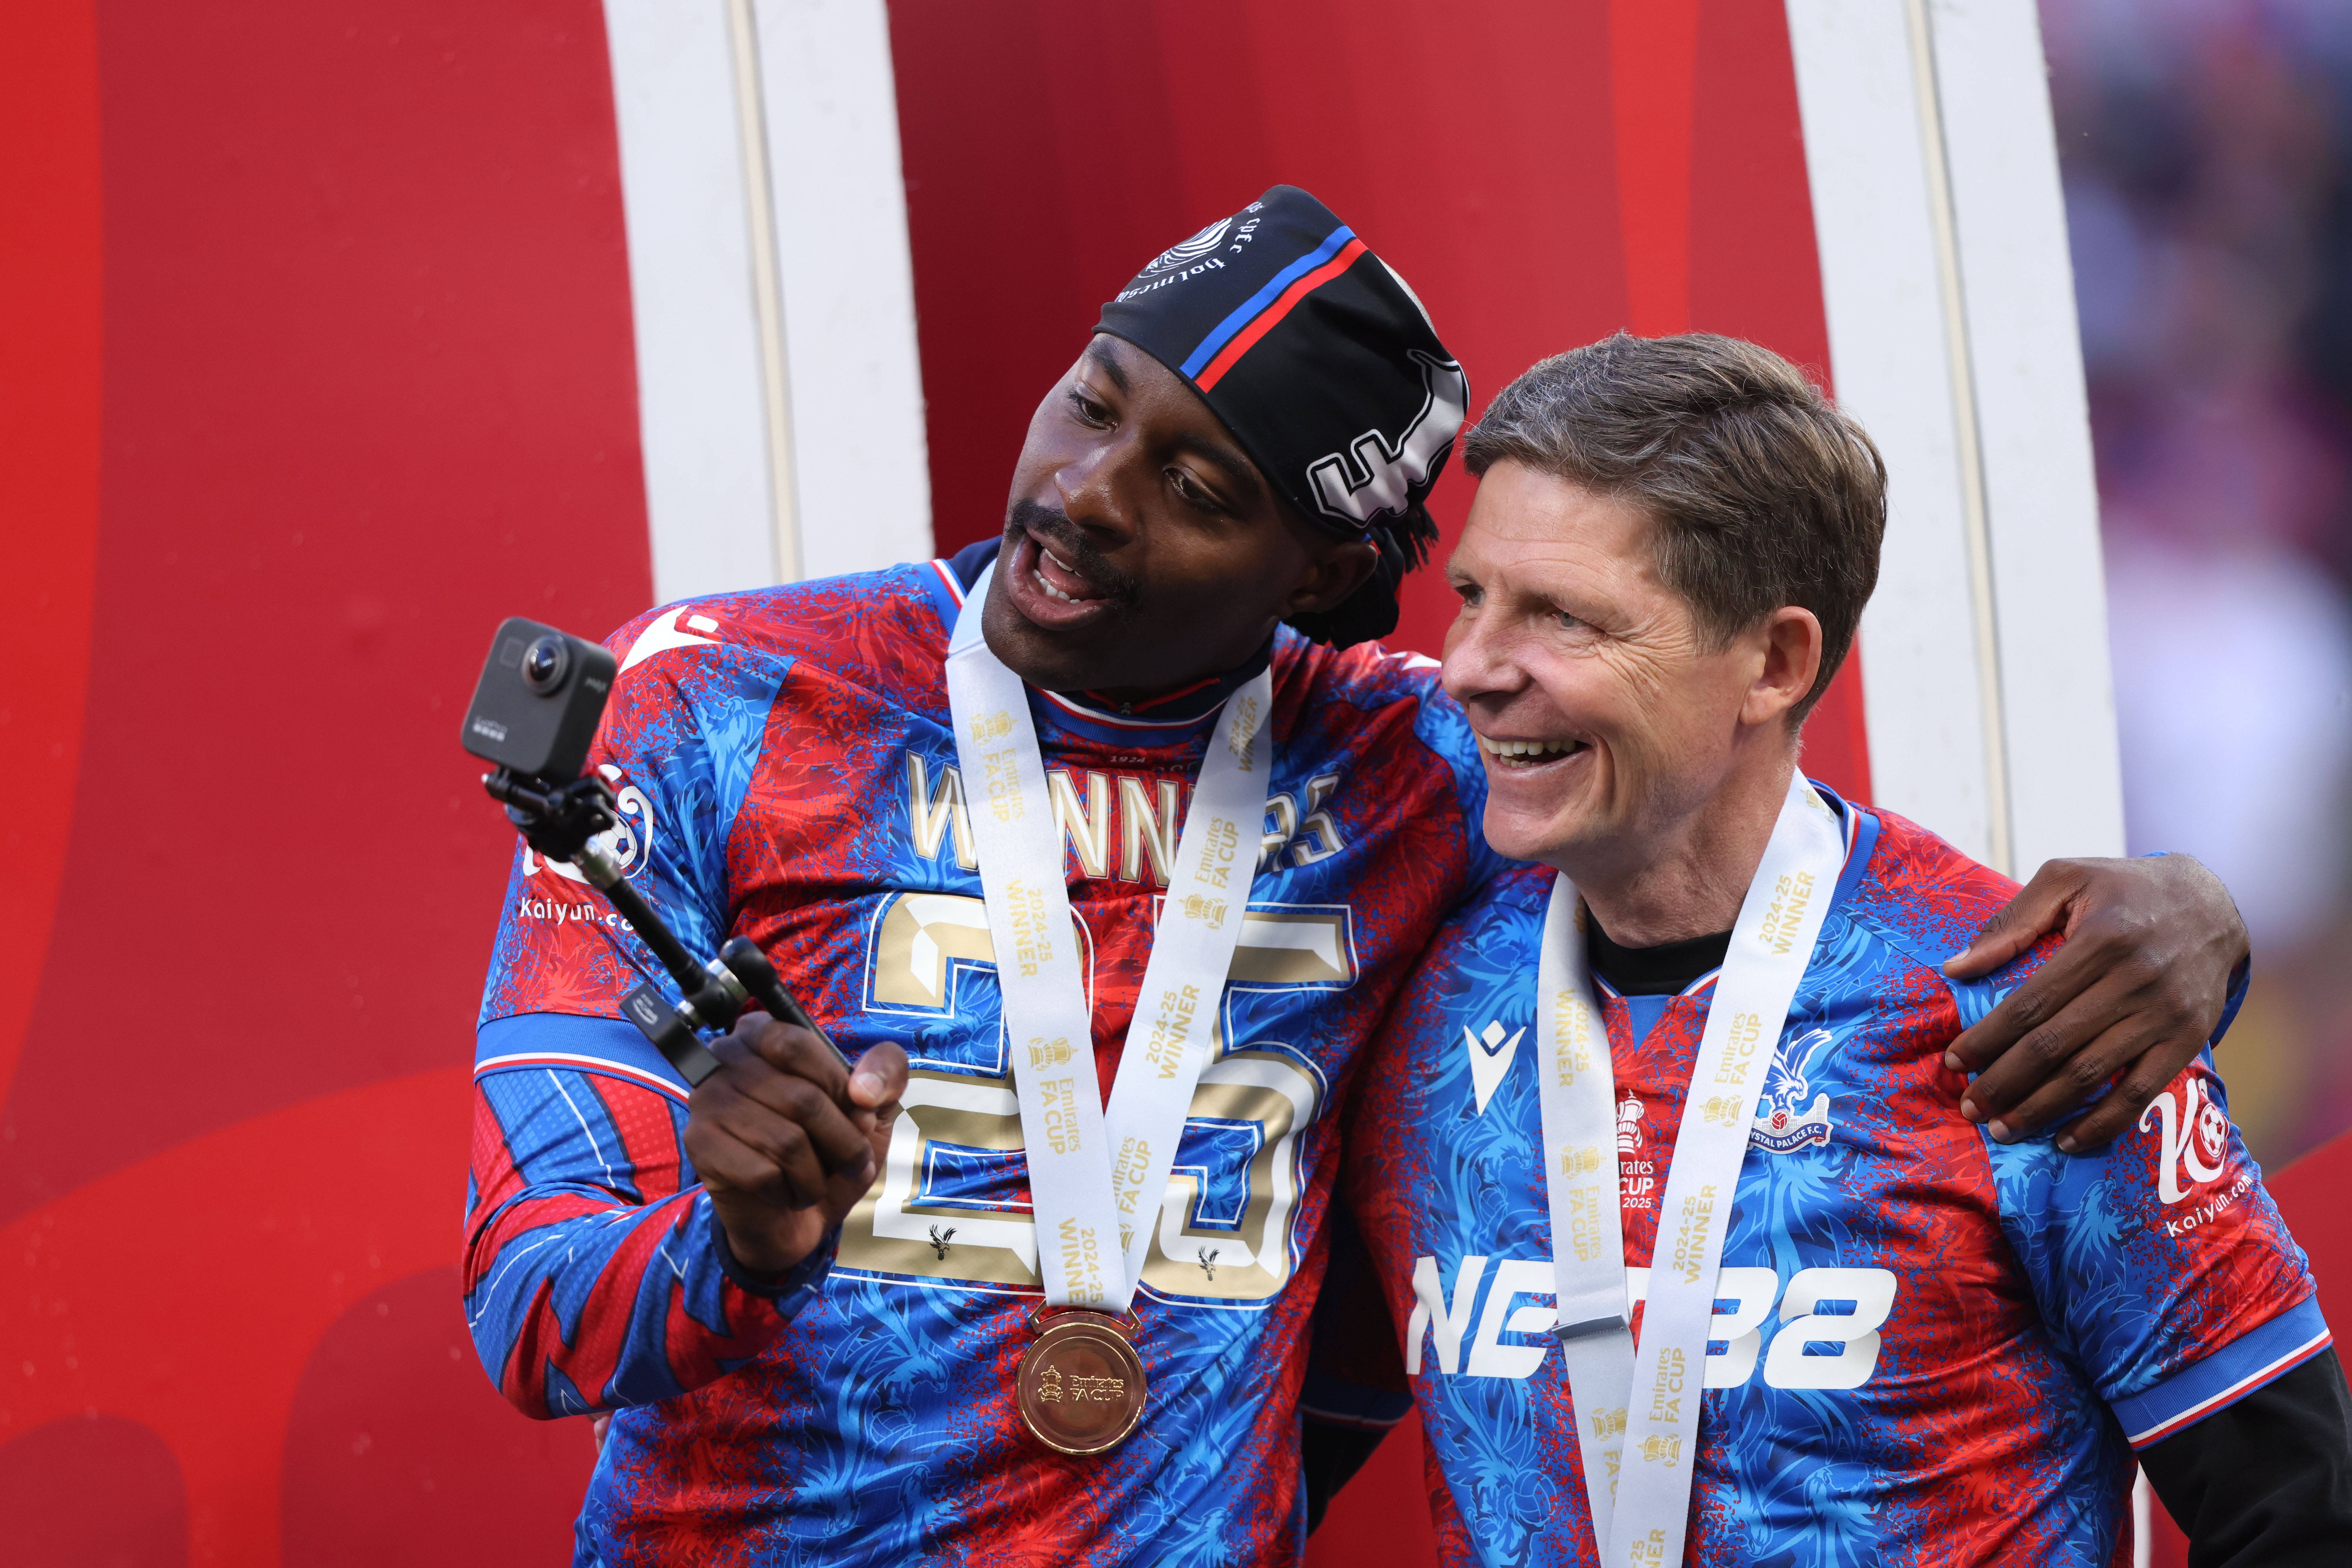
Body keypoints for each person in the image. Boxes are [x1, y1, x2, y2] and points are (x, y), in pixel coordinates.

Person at [463, 188, 2250, 1566]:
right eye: (1091, 401)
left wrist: (2187, 919)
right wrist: (739, 1245)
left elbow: (1765, 841)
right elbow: (528, 1318)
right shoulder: (716, 703)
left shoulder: (1421, 755)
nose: (1086, 492)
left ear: (1319, 581)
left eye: (1196, 485)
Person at [1325, 333, 2352, 1564]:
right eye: (1476, 596)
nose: (1476, 669)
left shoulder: (2033, 1006)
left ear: (1775, 662)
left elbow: (2299, 1518)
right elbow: (1255, 1445)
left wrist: (2206, 906)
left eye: (1564, 617)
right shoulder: (1417, 1004)